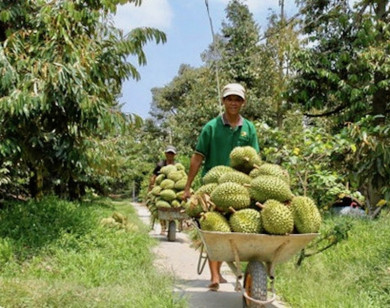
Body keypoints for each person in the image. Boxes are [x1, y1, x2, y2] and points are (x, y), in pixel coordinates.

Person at [183, 83, 259, 291]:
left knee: (237, 228)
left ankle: (245, 271)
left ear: (243, 102)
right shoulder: (211, 127)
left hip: (239, 186)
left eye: (237, 99)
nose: (233, 103)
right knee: (213, 228)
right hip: (212, 185)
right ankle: (215, 275)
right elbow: (198, 157)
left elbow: (255, 159)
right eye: (229, 99)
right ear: (224, 101)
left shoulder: (249, 128)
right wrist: (188, 187)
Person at [149, 145, 177, 234]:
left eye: (172, 153)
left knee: (172, 207)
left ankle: (171, 223)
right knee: (160, 207)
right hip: (161, 189)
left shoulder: (176, 166)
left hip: (173, 189)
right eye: (168, 153)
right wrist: (151, 187)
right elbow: (153, 176)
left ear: (174, 155)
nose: (170, 155)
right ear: (165, 154)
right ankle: (163, 227)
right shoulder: (160, 165)